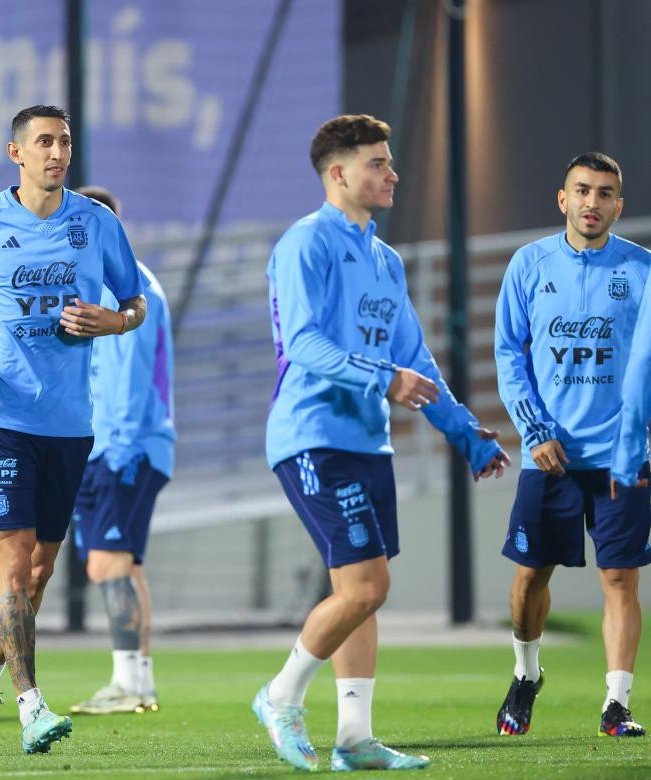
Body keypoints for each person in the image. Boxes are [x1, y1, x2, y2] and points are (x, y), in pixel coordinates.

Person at [256, 114, 510, 772]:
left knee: (361, 592)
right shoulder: (305, 244)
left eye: (390, 162)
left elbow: (413, 356)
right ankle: (280, 696)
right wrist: (383, 378)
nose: (391, 173)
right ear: (338, 173)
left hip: (368, 443)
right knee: (368, 586)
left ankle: (353, 739)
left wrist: (466, 433)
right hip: (313, 435)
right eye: (377, 162)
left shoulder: (385, 259)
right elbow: (305, 344)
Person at [0, 105, 146, 755]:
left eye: (66, 141)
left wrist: (117, 321)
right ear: (15, 153)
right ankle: (31, 707)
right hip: (3, 422)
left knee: (41, 572)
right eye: (44, 142)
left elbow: (134, 301)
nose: (57, 152)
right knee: (14, 566)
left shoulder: (97, 223)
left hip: (70, 426)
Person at [499, 152, 651, 738]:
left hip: (622, 458)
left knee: (620, 579)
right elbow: (509, 354)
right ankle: (526, 674)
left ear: (619, 205)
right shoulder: (529, 264)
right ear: (563, 199)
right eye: (582, 190)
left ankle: (617, 704)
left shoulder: (640, 270)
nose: (593, 202)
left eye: (605, 193)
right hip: (550, 456)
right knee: (530, 578)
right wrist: (534, 431)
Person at [66, 185, 173, 716]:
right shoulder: (97, 287)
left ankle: (130, 682)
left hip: (123, 447)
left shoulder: (130, 293)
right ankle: (137, 682)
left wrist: (121, 452)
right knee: (119, 564)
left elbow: (130, 382)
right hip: (102, 447)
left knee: (111, 560)